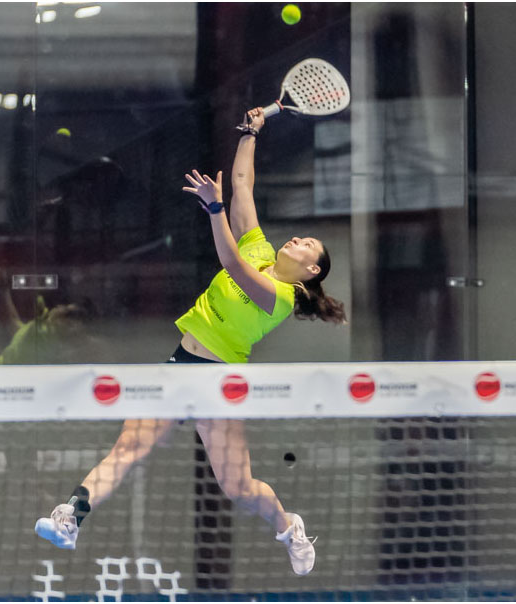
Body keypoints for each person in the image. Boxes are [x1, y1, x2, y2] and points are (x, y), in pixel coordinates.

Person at [34, 108, 346, 577]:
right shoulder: (260, 249)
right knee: (128, 447)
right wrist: (250, 132)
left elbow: (232, 264)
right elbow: (242, 184)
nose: (297, 240)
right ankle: (70, 519)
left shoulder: (282, 298)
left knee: (238, 487)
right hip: (180, 365)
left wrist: (214, 211)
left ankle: (289, 527)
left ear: (312, 270)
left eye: (307, 245)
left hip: (219, 383)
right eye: (300, 237)